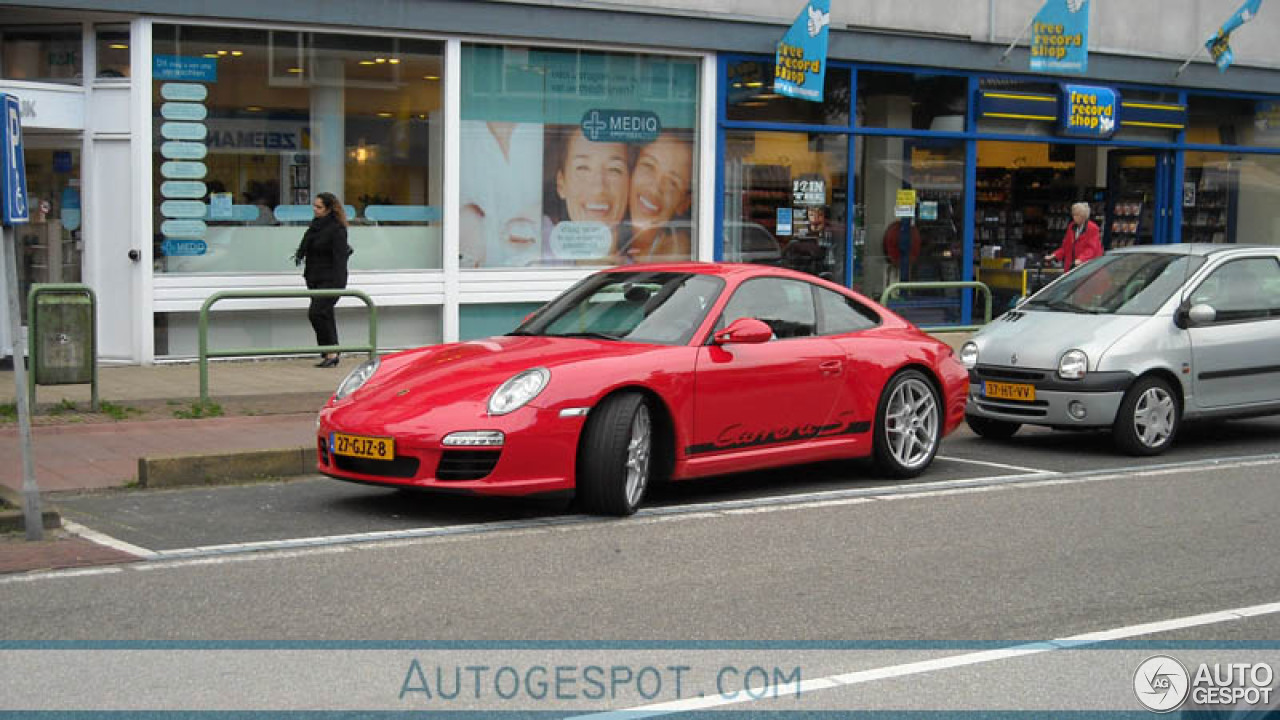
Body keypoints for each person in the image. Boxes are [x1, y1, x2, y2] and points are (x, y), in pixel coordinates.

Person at [544, 128, 630, 264]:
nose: (599, 188)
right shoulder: (537, 254)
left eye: (614, 169)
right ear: (561, 184)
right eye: (583, 168)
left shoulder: (641, 273)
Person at [293, 192, 351, 368]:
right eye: (314, 206)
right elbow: (308, 248)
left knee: (317, 313)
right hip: (314, 277)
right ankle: (331, 353)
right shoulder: (315, 226)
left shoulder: (337, 229)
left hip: (331, 279)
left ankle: (330, 351)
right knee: (325, 314)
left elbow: (340, 258)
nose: (315, 209)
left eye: (319, 207)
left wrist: (338, 283)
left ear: (328, 209)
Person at [620, 132, 693, 263]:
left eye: (672, 182)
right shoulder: (608, 237)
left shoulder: (677, 257)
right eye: (648, 166)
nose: (655, 188)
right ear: (631, 171)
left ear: (684, 203)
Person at [1046, 201, 1103, 270]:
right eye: (1073, 215)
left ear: (1083, 216)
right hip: (1071, 265)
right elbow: (1066, 246)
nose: (1074, 217)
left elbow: (1091, 249)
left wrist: (1081, 259)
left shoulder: (1093, 228)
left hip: (1086, 266)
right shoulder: (1071, 226)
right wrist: (1054, 255)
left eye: (1077, 215)